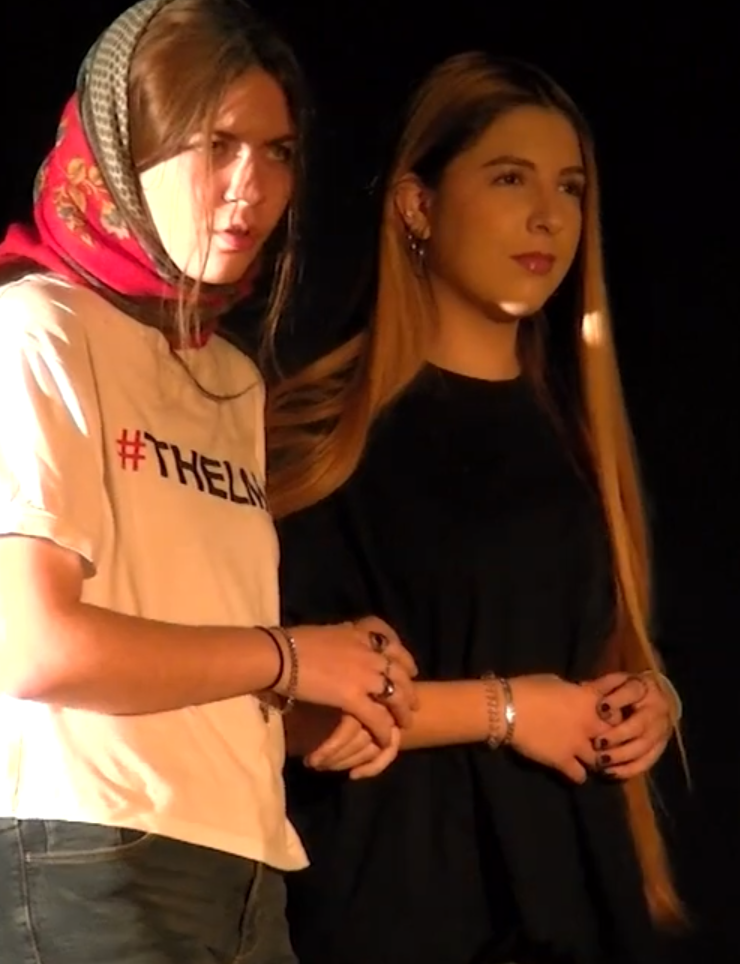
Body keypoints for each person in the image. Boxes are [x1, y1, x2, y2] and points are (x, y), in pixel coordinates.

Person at [0, 0, 421, 964]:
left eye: (277, 152)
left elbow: (187, 656)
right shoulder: (31, 331)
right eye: (217, 145)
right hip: (71, 862)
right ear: (124, 150)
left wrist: (318, 706)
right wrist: (291, 657)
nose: (251, 186)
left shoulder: (229, 378)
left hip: (241, 874)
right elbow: (36, 648)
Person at [265, 51, 689, 964]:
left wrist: (645, 699)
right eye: (509, 178)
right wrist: (508, 710)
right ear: (416, 205)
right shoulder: (321, 437)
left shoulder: (578, 434)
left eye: (570, 187)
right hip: (396, 903)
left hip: (569, 900)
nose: (549, 216)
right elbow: (293, 712)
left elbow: (586, 648)